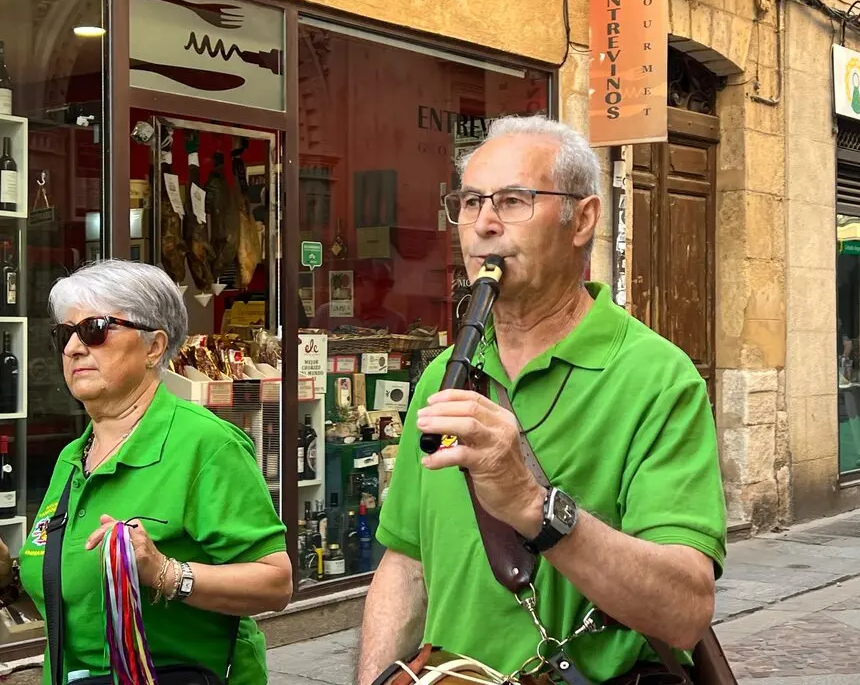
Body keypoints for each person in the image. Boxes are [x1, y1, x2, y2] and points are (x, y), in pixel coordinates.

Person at [356, 115, 727, 684]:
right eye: (471, 202)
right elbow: (407, 564)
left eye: (512, 200)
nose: (484, 224)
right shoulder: (441, 377)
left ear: (583, 219)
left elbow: (685, 613)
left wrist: (533, 506)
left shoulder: (657, 377)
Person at [0, 259, 293, 684]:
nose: (73, 348)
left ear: (154, 347)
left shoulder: (205, 444)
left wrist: (164, 572)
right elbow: (72, 606)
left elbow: (275, 583)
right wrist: (6, 579)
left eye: (95, 329)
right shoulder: (72, 457)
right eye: (65, 334)